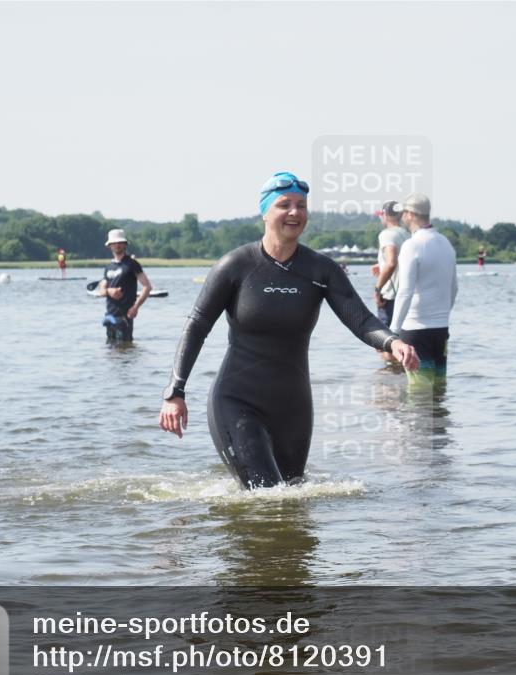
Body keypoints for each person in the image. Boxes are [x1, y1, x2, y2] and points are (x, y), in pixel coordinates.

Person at [158, 171, 419, 489]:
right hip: (238, 401)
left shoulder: (321, 269)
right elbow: (196, 326)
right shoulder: (236, 265)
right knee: (267, 495)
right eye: (284, 205)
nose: (295, 212)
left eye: (301, 205)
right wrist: (175, 392)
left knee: (294, 502)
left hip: (294, 409)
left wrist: (393, 342)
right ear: (265, 213)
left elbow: (360, 319)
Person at [390, 192, 458, 386]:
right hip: (441, 329)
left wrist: (393, 332)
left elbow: (405, 291)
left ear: (411, 214)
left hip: (416, 330)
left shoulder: (412, 245)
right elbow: (454, 288)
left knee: (419, 392)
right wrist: (442, 314)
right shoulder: (446, 244)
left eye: (404, 213)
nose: (402, 217)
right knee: (438, 389)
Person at [371, 201, 411, 364]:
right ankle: (400, 377)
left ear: (385, 215)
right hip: (407, 296)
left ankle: (390, 380)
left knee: (385, 343)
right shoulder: (408, 234)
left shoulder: (387, 234)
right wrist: (380, 265)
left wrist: (377, 289)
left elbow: (392, 262)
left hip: (391, 296)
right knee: (403, 341)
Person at [96, 229, 152, 343]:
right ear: (109, 245)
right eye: (114, 243)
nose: (117, 245)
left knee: (125, 349)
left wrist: (136, 307)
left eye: (120, 242)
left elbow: (147, 287)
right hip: (109, 316)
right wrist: (109, 291)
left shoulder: (132, 264)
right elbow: (101, 290)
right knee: (110, 351)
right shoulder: (108, 267)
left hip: (125, 316)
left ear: (125, 244)